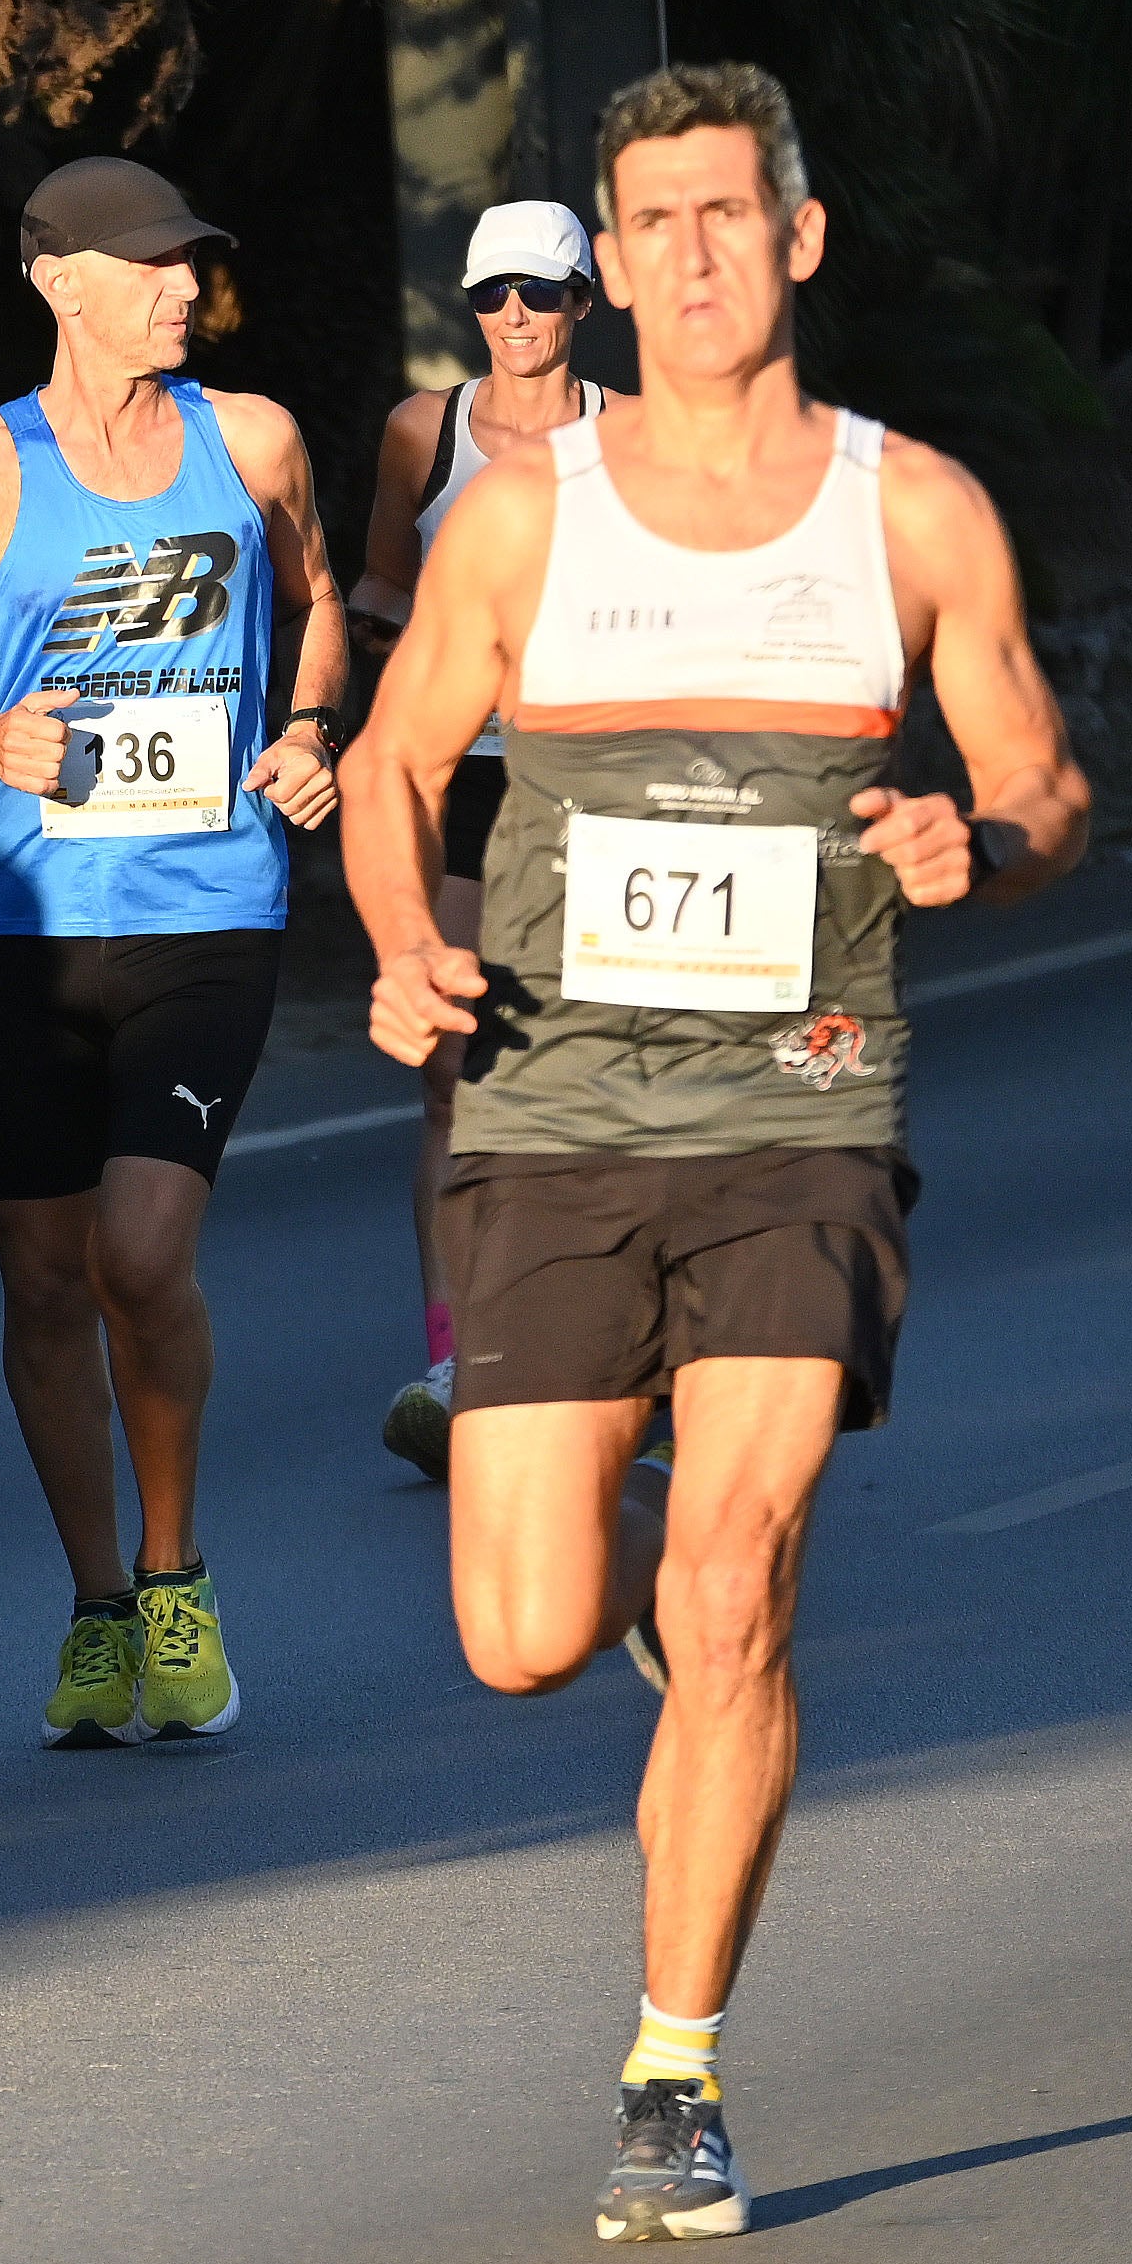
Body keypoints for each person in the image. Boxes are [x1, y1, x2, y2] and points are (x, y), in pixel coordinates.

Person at [344, 61, 1089, 2241]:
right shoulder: (524, 517)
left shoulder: (914, 513)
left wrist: (992, 839)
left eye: (723, 221)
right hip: (558, 1107)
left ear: (802, 238)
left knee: (737, 1586)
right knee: (518, 1634)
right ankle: (646, 1495)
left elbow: (1048, 783)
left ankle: (675, 2072)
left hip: (803, 1104)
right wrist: (401, 947)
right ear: (606, 250)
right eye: (647, 224)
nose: (683, 261)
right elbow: (393, 771)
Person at [0, 156, 348, 1751]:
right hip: (30, 926)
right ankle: (95, 1605)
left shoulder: (255, 438)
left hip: (211, 909)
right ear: (54, 277)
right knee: (38, 1286)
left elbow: (319, 599)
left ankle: (175, 1573)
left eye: (191, 258)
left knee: (141, 1258)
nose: (182, 285)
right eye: (151, 262)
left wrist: (304, 724)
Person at [353, 202, 623, 1481]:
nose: (516, 319)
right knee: (455, 1071)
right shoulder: (428, 430)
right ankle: (458, 1358)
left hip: (594, 787)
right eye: (493, 297)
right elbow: (377, 585)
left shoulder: (632, 437)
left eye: (539, 294)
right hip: (462, 778)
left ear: (583, 300)